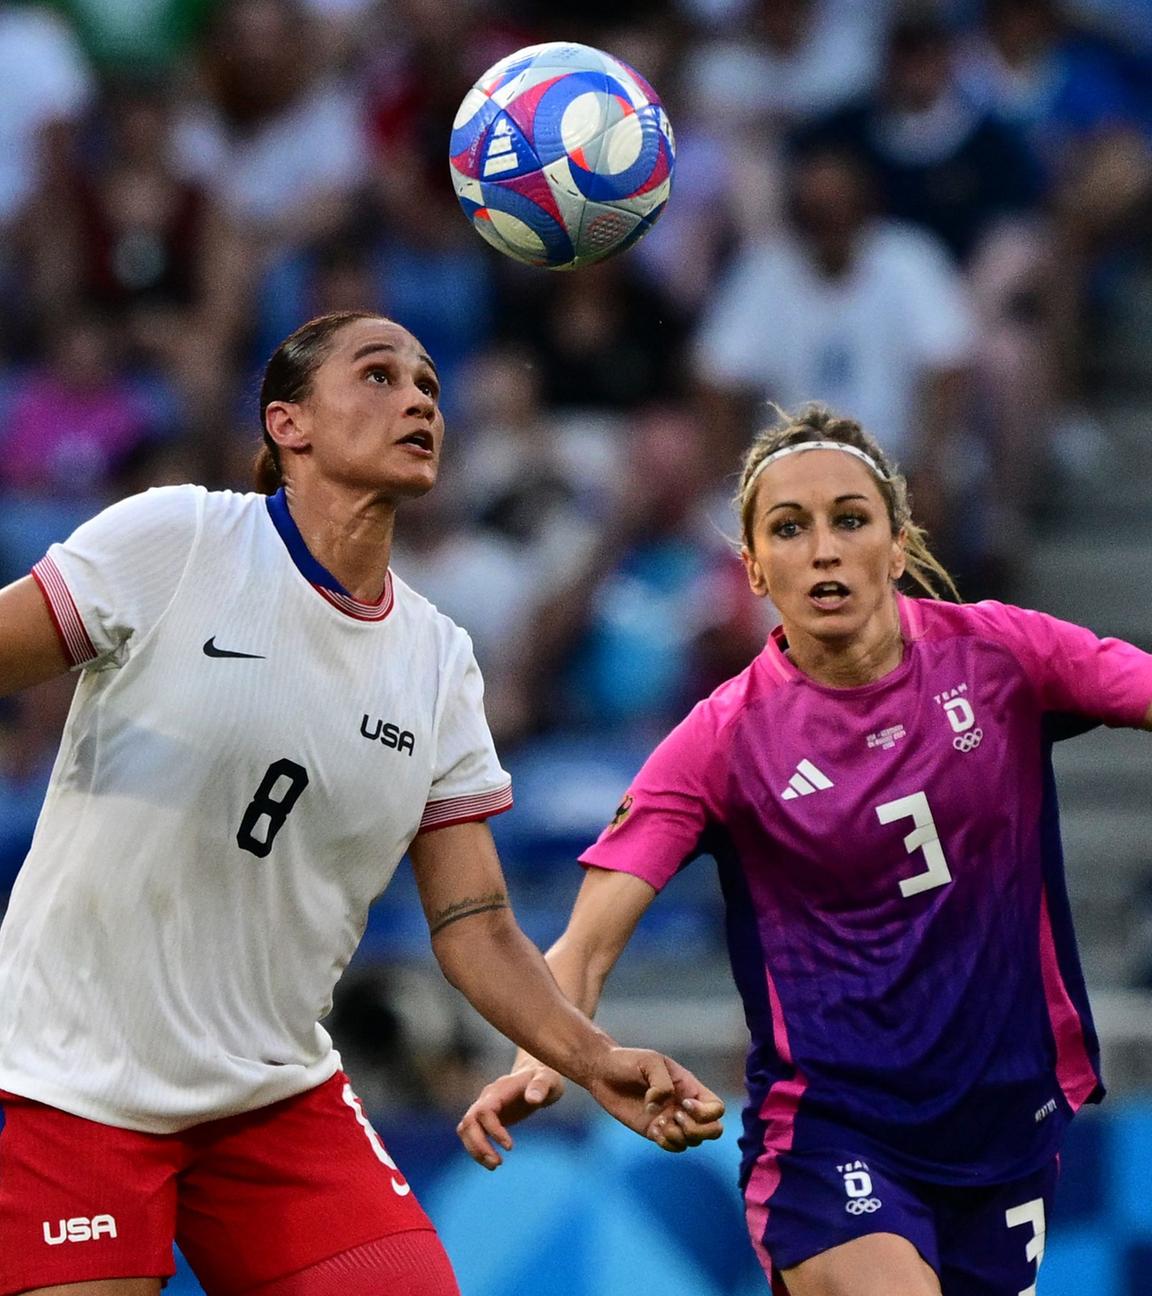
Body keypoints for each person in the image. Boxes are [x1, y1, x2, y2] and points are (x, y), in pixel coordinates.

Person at [0, 310, 725, 1296]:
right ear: (287, 424)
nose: (419, 396)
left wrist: (593, 1058)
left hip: (271, 1099)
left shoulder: (436, 661)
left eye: (429, 381)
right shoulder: (178, 538)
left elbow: (472, 924)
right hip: (73, 1082)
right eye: (379, 375)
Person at [459, 403, 1152, 1296]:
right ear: (752, 567)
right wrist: (540, 1057)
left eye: (849, 520)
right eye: (789, 528)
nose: (823, 548)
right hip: (832, 1137)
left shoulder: (1001, 657)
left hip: (1004, 1128)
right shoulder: (724, 740)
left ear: (896, 548)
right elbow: (587, 942)